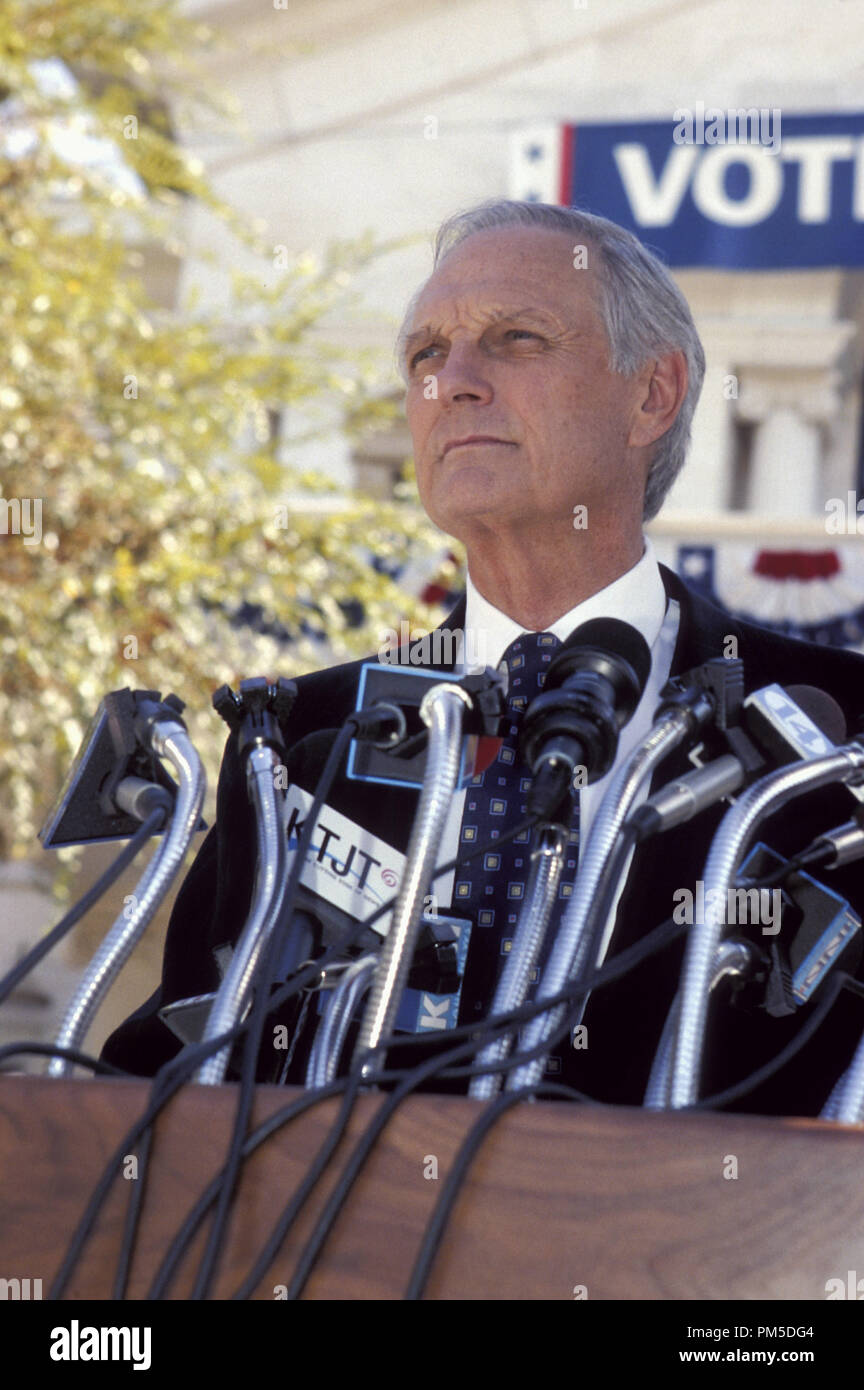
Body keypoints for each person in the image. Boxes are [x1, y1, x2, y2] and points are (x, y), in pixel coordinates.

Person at [102, 199, 864, 1116]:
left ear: (651, 395)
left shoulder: (833, 726)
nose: (452, 381)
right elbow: (182, 1066)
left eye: (515, 340)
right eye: (427, 354)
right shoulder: (301, 743)